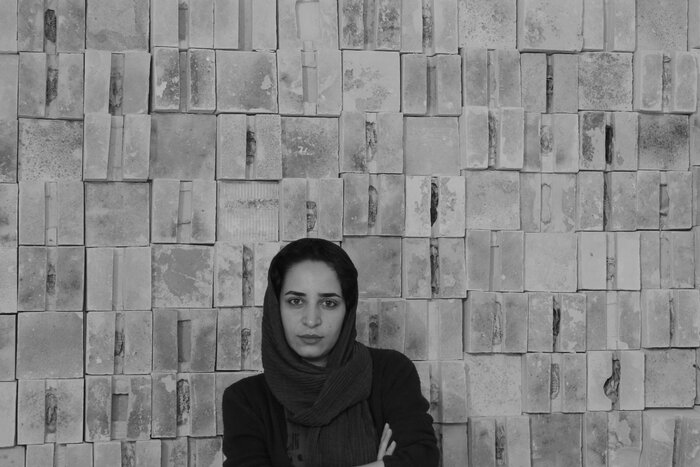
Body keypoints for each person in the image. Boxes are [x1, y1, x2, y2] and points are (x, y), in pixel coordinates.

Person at [222, 238, 439, 467]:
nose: (311, 320)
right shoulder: (246, 400)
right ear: (275, 307)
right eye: (295, 301)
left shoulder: (390, 373)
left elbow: (422, 458)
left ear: (348, 309)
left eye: (329, 303)